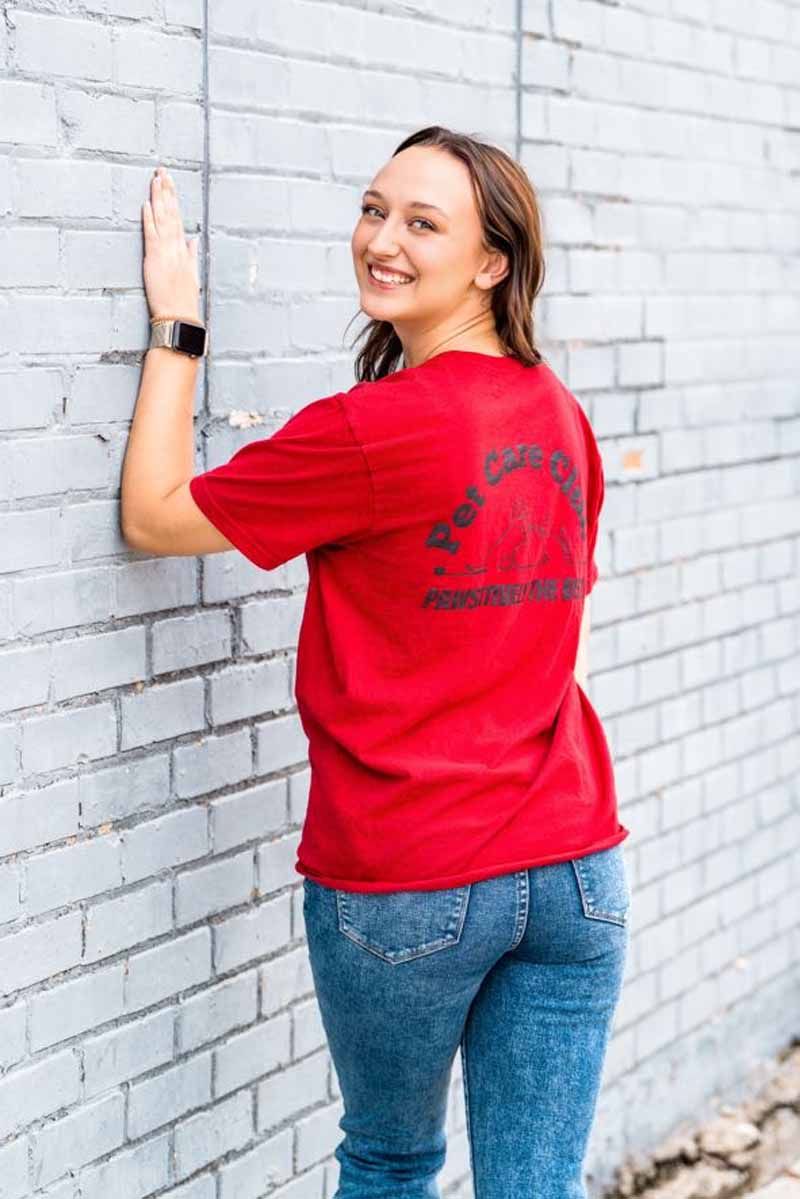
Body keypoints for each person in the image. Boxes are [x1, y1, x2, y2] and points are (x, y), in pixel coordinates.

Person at [123, 125, 631, 1199]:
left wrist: (178, 327)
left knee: (391, 1164)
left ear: (491, 262)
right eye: (371, 208)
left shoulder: (373, 429)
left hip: (411, 874)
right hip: (574, 868)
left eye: (420, 222)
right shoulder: (560, 417)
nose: (379, 240)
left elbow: (156, 517)